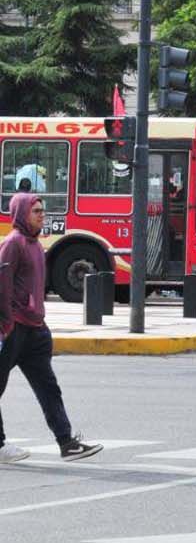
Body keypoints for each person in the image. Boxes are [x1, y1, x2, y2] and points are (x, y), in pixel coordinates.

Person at [0, 194, 103, 463]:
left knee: (48, 388)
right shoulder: (13, 244)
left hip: (35, 331)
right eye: (36, 211)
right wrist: (6, 323)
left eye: (43, 211)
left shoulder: (36, 246)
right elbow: (2, 286)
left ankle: (66, 442)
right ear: (22, 213)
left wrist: (42, 321)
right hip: (14, 330)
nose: (42, 215)